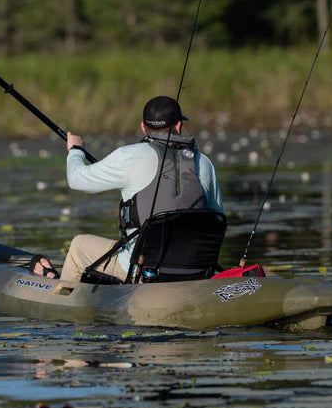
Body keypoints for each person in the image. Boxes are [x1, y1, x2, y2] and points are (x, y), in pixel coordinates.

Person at [30, 95, 223, 282]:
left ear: (143, 127)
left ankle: (62, 296)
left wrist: (75, 151)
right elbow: (215, 219)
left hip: (143, 271)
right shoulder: (204, 163)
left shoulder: (128, 155)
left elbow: (76, 179)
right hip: (196, 270)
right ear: (179, 125)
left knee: (79, 246)